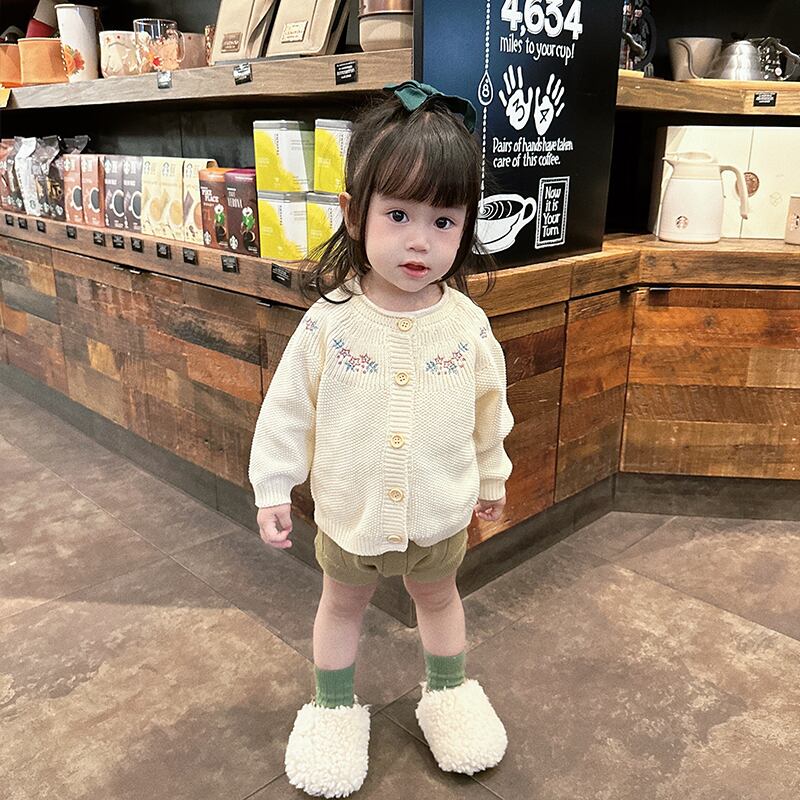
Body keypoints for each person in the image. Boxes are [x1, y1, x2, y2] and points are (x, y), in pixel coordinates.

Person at [248, 80, 514, 798]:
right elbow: (286, 411)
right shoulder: (329, 324)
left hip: (439, 514)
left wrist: (492, 478)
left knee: (440, 599)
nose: (420, 241)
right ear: (353, 211)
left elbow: (490, 412)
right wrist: (273, 487)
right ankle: (333, 708)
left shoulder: (466, 325)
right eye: (398, 214)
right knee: (341, 605)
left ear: (467, 225)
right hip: (351, 515)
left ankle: (449, 693)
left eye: (444, 220)